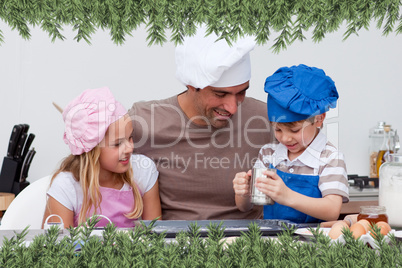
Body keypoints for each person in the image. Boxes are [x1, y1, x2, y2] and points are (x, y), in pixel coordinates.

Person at [129, 26, 274, 220]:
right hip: (174, 243)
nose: (233, 107)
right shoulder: (144, 121)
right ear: (191, 85)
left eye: (241, 92)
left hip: (247, 242)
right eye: (220, 94)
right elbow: (88, 166)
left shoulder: (267, 119)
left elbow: (322, 165)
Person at [233, 64, 349, 223]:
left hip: (312, 243)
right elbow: (246, 208)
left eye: (294, 130)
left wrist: (287, 196)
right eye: (277, 129)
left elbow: (332, 211)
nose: (285, 138)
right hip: (272, 241)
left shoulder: (330, 158)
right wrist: (243, 193)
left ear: (319, 118)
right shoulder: (268, 154)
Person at [43, 87, 161, 228]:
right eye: (117, 144)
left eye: (130, 137)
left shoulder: (143, 170)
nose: (130, 148)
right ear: (92, 150)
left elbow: (155, 238)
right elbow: (55, 246)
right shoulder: (66, 187)